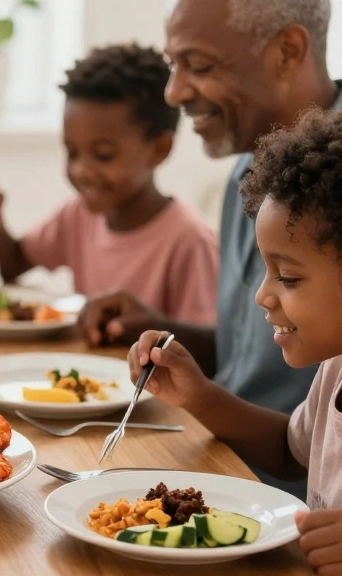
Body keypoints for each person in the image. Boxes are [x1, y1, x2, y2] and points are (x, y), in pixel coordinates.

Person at [77, 0, 339, 417]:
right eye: (172, 65)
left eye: (197, 66)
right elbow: (253, 361)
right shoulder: (248, 166)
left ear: (287, 51)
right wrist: (168, 336)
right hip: (227, 450)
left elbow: (301, 442)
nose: (173, 92)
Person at [128, 107, 342, 574]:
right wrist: (199, 395)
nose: (263, 295)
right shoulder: (335, 368)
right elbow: (289, 452)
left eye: (287, 276)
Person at [0, 43, 217, 324]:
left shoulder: (191, 242)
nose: (81, 171)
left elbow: (209, 348)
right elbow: (11, 265)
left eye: (103, 155)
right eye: (72, 152)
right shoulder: (78, 215)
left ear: (159, 149)